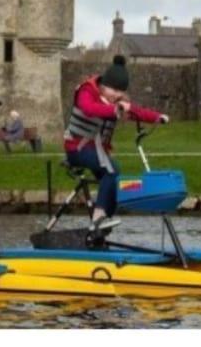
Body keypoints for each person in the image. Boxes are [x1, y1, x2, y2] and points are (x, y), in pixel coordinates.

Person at [64, 54, 169, 233]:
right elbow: (89, 109)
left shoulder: (117, 101)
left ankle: (102, 225)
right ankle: (98, 219)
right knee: (111, 170)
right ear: (104, 85)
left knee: (115, 178)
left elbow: (136, 112)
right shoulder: (86, 91)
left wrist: (157, 117)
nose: (117, 95)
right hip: (77, 149)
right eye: (113, 91)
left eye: (120, 92)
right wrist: (114, 109)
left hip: (98, 152)